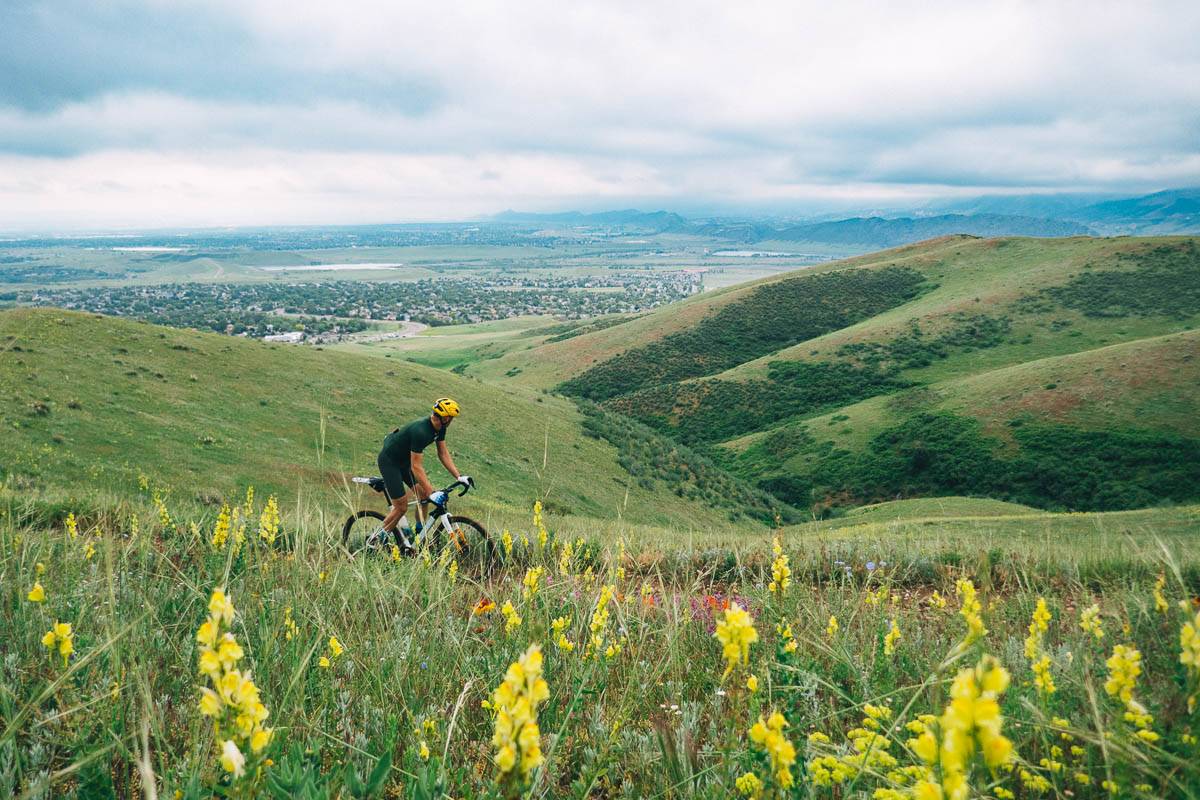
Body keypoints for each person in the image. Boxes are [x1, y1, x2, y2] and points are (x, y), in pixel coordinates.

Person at [368, 398, 473, 551]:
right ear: (443, 417)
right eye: (450, 418)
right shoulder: (421, 431)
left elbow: (442, 453)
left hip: (404, 462)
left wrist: (459, 476)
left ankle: (418, 533)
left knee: (423, 494)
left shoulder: (440, 428)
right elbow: (416, 466)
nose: (452, 421)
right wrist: (432, 493)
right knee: (401, 507)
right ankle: (376, 539)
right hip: (390, 462)